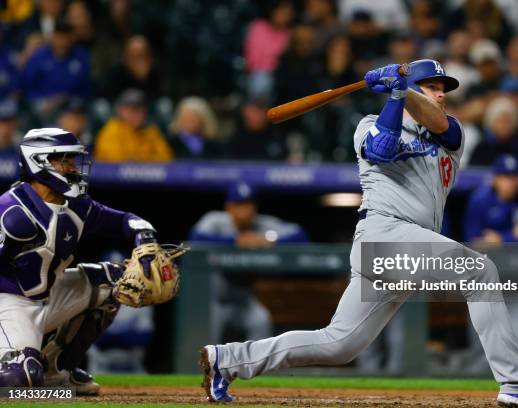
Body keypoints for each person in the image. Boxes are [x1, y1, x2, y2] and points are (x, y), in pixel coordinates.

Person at [199, 60, 518, 407]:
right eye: (432, 87)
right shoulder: (368, 124)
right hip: (384, 232)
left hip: (410, 245)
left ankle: (227, 360)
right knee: (480, 271)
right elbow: (382, 149)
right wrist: (396, 95)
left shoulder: (450, 132)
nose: (440, 94)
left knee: (339, 345)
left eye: (442, 89)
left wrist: (404, 90)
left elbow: (438, 120)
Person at [0, 127, 162, 394]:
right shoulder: (12, 212)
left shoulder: (76, 205)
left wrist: (145, 237)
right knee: (20, 382)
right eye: (64, 159)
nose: (73, 167)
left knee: (115, 282)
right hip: (11, 306)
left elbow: (125, 220)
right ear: (39, 162)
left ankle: (56, 371)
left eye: (72, 159)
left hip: (48, 297)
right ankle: (26, 365)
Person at [190, 182, 308, 343]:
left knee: (261, 320)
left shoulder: (261, 224)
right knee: (209, 342)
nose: (247, 210)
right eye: (240, 205)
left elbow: (300, 236)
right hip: (214, 302)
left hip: (243, 302)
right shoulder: (215, 221)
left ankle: (255, 367)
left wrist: (270, 240)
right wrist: (234, 241)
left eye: (250, 204)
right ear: (229, 207)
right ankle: (205, 368)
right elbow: (195, 238)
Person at [464, 155, 518, 244]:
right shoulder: (479, 199)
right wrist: (514, 237)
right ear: (495, 179)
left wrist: (501, 240)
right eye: (505, 176)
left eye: (514, 176)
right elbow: (471, 240)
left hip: (517, 255)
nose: (511, 182)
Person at [93, 89, 174, 162]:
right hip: (110, 178)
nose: (135, 114)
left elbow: (167, 158)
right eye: (130, 110)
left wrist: (139, 162)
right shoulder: (112, 129)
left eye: (139, 109)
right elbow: (113, 159)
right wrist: (145, 161)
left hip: (146, 178)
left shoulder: (151, 131)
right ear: (120, 110)